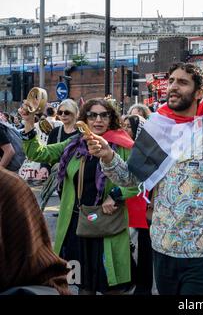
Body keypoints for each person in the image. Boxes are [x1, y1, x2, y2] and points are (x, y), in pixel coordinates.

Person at [85, 62, 203, 295]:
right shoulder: (157, 128)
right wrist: (108, 155)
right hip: (164, 247)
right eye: (172, 81)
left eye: (183, 82)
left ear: (199, 92)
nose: (174, 87)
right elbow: (130, 179)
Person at [19, 98, 138, 295]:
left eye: (103, 115)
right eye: (92, 115)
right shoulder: (73, 145)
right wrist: (29, 123)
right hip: (76, 224)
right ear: (84, 120)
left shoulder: (122, 145)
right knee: (83, 285)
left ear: (111, 119)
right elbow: (37, 153)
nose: (98, 120)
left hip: (107, 224)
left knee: (111, 285)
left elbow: (139, 181)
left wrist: (116, 195)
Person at [0, 167, 70, 295]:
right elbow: (40, 154)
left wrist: (116, 195)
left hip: (95, 222)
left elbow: (43, 272)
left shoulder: (8, 187)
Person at [122, 114, 154, 295]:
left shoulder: (147, 150)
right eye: (124, 125)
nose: (125, 129)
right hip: (125, 202)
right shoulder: (119, 146)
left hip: (143, 204)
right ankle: (130, 277)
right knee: (123, 243)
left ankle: (143, 287)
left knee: (144, 249)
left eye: (129, 126)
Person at [40, 99, 80, 210]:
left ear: (76, 114)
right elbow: (47, 153)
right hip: (59, 177)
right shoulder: (55, 132)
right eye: (60, 112)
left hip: (77, 177)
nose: (63, 115)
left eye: (67, 112)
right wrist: (44, 168)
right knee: (65, 205)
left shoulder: (81, 133)